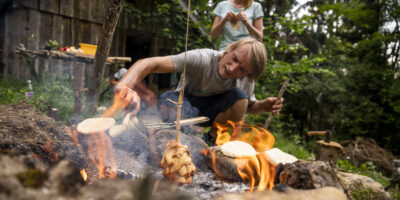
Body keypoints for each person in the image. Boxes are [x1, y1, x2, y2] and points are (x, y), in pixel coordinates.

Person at [114, 38, 283, 143]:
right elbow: (148, 63)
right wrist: (124, 85)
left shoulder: (245, 78)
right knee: (162, 106)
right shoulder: (201, 59)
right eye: (234, 59)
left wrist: (262, 105)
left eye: (242, 70)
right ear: (229, 49)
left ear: (248, 73)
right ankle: (160, 134)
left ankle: (210, 141)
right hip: (182, 104)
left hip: (212, 113)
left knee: (241, 97)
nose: (233, 69)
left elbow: (247, 108)